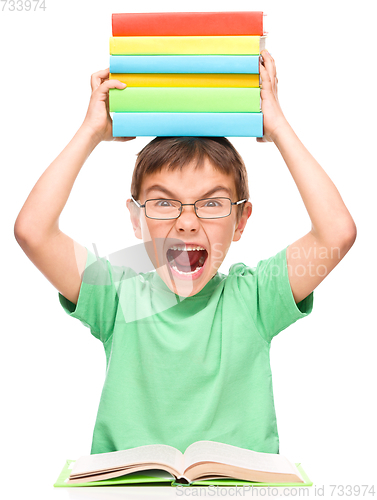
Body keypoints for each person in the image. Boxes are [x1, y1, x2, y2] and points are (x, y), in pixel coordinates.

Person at [14, 50, 356, 455]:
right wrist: (90, 132)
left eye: (211, 204)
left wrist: (278, 127)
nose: (188, 222)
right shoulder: (116, 295)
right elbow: (32, 232)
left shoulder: (257, 298)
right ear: (136, 219)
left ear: (241, 220)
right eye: (163, 203)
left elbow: (336, 233)